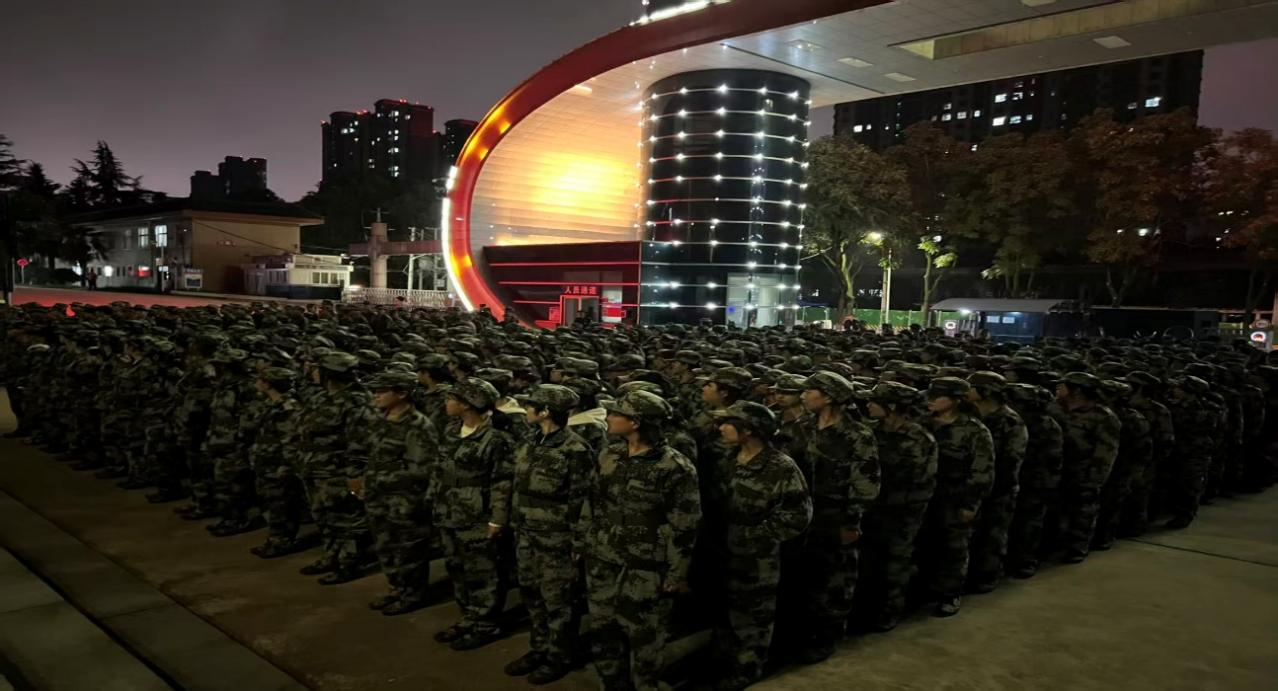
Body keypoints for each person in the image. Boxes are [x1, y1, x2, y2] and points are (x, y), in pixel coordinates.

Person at [581, 390, 701, 691]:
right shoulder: (610, 454)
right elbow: (592, 501)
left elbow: (685, 523)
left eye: (616, 414)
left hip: (647, 564)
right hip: (604, 556)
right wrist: (582, 541)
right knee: (604, 629)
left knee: (645, 635)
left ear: (635, 422)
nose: (609, 418)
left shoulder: (674, 466)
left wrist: (677, 573)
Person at [710, 401, 811, 690]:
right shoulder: (729, 459)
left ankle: (748, 667)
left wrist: (757, 535)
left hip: (757, 556)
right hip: (725, 548)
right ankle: (723, 659)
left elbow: (797, 515)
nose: (721, 428)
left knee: (753, 614)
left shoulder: (780, 467)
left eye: (728, 423)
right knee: (725, 608)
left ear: (750, 430)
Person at [504, 384, 594, 684]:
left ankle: (559, 655)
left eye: (531, 406)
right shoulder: (531, 440)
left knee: (558, 601)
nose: (525, 409)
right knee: (532, 594)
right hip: (527, 533)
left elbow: (583, 500)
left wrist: (578, 542)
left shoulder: (575, 449)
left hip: (556, 538)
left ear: (545, 412)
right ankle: (539, 647)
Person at [792, 371, 879, 662]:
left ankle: (827, 635)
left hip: (835, 516)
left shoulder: (857, 435)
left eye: (810, 391)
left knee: (835, 580)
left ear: (828, 397)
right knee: (805, 575)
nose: (803, 396)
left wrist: (851, 521)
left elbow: (865, 484)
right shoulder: (802, 427)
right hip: (804, 514)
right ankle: (802, 632)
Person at [432, 377, 516, 651]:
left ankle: (486, 624)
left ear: (467, 404)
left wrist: (497, 519)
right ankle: (469, 617)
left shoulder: (497, 438)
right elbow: (440, 467)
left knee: (483, 572)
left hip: (477, 513)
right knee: (456, 567)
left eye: (452, 398)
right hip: (448, 509)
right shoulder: (452, 429)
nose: (447, 403)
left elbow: (502, 481)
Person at [859, 381, 937, 632]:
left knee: (895, 563)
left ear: (891, 406)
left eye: (874, 401)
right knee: (869, 561)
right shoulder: (870, 431)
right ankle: (867, 609)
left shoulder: (919, 437)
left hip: (902, 512)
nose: (868, 405)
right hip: (873, 509)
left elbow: (925, 481)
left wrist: (907, 512)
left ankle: (891, 610)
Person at [362, 370, 439, 616]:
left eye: (382, 391)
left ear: (402, 393)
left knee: (409, 549)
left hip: (405, 498)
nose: (376, 395)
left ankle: (412, 594)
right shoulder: (381, 418)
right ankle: (397, 588)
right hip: (378, 495)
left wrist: (395, 485)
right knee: (385, 546)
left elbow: (423, 469)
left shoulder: (418, 425)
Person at [917, 377, 993, 617]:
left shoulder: (974, 431)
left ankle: (950, 593)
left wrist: (971, 504)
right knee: (926, 544)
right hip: (925, 496)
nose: (930, 401)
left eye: (937, 397)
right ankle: (927, 589)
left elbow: (982, 471)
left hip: (955, 498)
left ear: (955, 401)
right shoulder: (923, 424)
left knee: (953, 548)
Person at [965, 371, 1027, 593]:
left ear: (985, 392)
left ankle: (988, 576)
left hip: (1000, 488)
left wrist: (993, 487)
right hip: (977, 484)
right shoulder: (974, 414)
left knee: (993, 535)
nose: (967, 390)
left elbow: (1011, 461)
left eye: (972, 386)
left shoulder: (1010, 421)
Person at [1054, 371, 1121, 563]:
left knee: (1082, 512)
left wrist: (1094, 480)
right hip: (1060, 469)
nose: (1058, 388)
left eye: (1063, 385)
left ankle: (1078, 547)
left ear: (1078, 390)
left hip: (1084, 472)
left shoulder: (1103, 417)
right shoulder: (1057, 408)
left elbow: (1106, 452)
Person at [1004, 383, 1063, 579]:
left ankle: (1025, 561)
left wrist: (1046, 486)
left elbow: (1051, 460)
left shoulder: (1045, 425)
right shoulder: (1014, 421)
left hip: (1035, 482)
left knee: (1029, 524)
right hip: (1018, 479)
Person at [248, 366, 308, 559]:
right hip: (266, 463)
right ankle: (275, 538)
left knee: (281, 505)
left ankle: (282, 541)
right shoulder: (271, 404)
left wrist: (286, 466)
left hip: (277, 465)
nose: (256, 383)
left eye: (260, 379)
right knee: (271, 503)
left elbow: (291, 441)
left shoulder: (286, 408)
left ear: (268, 384)